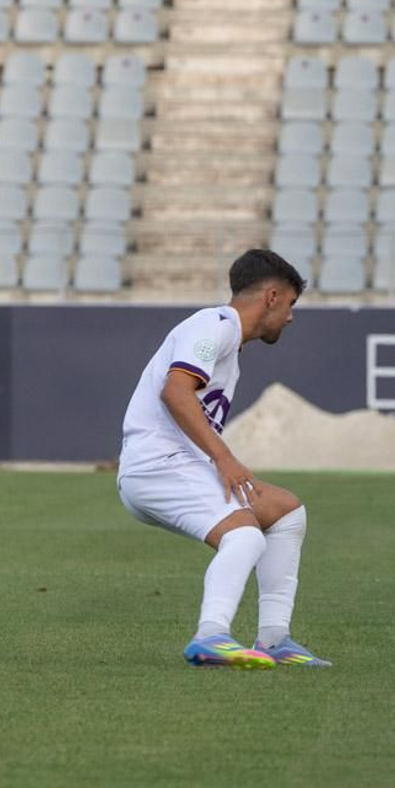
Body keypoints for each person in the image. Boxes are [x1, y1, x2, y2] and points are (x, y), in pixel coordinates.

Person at [117, 249, 329, 669]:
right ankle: (210, 636)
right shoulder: (213, 325)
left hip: (175, 464)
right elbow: (175, 392)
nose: (290, 317)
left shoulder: (229, 343)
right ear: (271, 297)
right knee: (245, 536)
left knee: (286, 512)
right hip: (156, 465)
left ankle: (274, 639)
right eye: (290, 304)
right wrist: (224, 458)